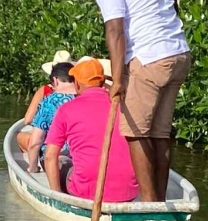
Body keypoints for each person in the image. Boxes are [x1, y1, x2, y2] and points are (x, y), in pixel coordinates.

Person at [86, 0, 191, 202]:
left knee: (135, 132)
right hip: (178, 54)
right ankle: (157, 200)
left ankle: (149, 204)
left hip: (148, 59)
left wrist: (117, 80)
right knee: (159, 133)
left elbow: (116, 32)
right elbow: (174, 11)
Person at [43, 58, 139, 203]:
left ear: (76, 83)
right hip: (128, 193)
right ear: (102, 82)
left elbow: (50, 157)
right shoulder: (124, 107)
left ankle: (61, 196)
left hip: (85, 193)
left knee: (60, 160)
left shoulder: (66, 110)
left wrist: (57, 197)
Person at [18, 62, 77, 172]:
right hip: (84, 156)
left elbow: (35, 143)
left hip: (55, 158)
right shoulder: (86, 97)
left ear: (55, 80)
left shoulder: (49, 102)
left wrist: (33, 168)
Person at [22, 48, 72, 127]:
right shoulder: (79, 89)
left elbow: (28, 120)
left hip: (49, 134)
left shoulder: (45, 91)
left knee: (20, 136)